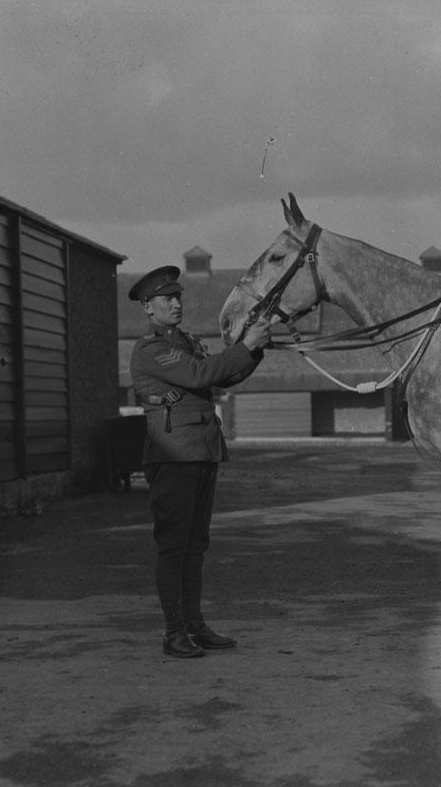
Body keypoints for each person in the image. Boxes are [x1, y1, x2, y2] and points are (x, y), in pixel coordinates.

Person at [128, 265, 272, 659]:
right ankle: (174, 633)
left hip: (200, 453)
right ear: (147, 307)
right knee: (174, 547)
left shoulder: (184, 341)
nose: (176, 304)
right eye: (166, 299)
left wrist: (254, 348)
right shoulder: (152, 349)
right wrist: (244, 346)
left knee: (195, 546)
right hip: (174, 456)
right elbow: (201, 373)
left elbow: (222, 378)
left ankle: (194, 627)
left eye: (178, 297)